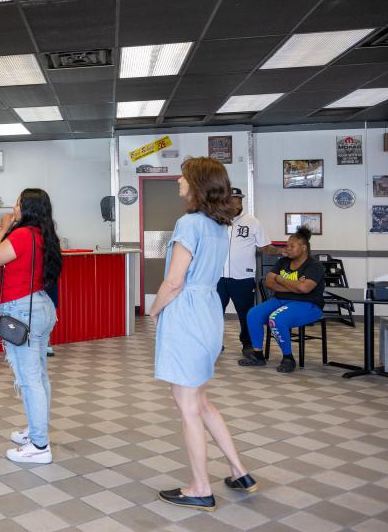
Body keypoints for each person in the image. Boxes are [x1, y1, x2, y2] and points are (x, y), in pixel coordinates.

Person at [148, 157, 257, 512]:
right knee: (202, 401)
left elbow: (175, 281)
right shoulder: (217, 225)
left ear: (197, 185)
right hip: (208, 313)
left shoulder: (188, 223)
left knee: (188, 407)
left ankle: (199, 488)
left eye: (184, 176)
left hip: (186, 314)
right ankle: (239, 471)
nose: (178, 180)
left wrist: (155, 309)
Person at [0, 189, 62, 464]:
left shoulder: (22, 235)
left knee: (29, 380)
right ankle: (35, 430)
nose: (13, 207)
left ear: (26, 208)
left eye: (16, 203)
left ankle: (40, 446)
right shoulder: (43, 234)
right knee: (38, 375)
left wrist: (3, 229)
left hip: (21, 310)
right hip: (41, 306)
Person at [239, 226, 325, 373]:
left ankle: (288, 358)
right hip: (280, 300)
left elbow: (305, 289)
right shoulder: (283, 262)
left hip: (307, 304)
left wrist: (281, 279)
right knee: (253, 314)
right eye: (287, 245)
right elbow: (269, 283)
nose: (288, 248)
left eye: (292, 246)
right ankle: (258, 355)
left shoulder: (314, 266)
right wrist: (295, 286)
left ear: (304, 248)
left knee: (276, 319)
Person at [219, 188, 280, 353]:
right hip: (217, 277)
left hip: (243, 277)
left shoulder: (252, 222)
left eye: (239, 200)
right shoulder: (217, 221)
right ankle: (214, 343)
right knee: (214, 313)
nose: (236, 203)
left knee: (245, 313)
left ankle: (247, 345)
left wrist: (284, 251)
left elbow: (265, 247)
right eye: (232, 199)